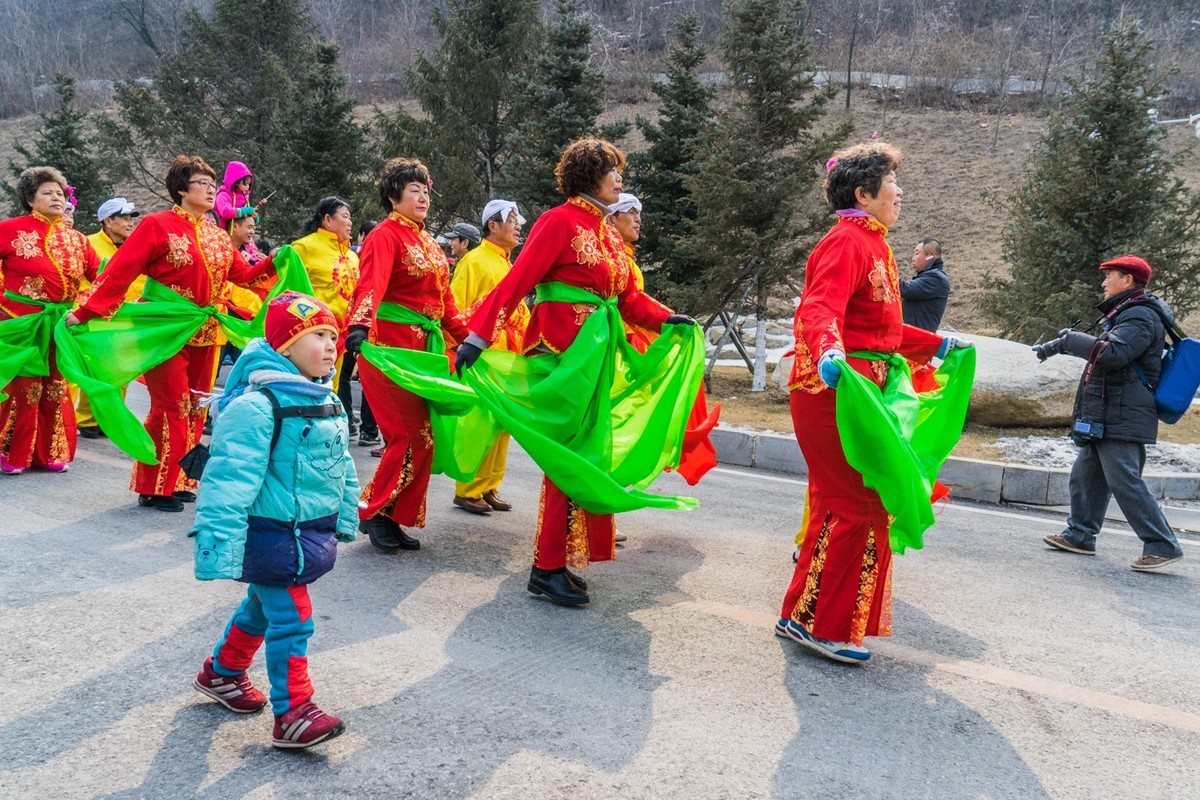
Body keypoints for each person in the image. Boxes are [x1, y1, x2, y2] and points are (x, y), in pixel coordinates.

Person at [455, 138, 694, 606]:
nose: (619, 179)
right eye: (612, 170)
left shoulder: (606, 233)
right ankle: (546, 568)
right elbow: (517, 281)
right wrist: (477, 337)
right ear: (589, 176)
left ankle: (557, 561)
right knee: (567, 461)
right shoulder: (558, 221)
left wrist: (668, 318)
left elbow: (626, 299)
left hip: (596, 359)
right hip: (560, 356)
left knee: (582, 458)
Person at [776, 142, 962, 664]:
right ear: (863, 193)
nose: (900, 191)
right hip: (832, 388)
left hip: (861, 387)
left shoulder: (874, 244)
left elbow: (877, 328)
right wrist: (830, 350)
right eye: (891, 183)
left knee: (846, 501)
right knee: (856, 503)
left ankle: (802, 614)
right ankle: (820, 624)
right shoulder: (847, 242)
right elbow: (820, 308)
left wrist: (937, 345)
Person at [190, 292, 357, 750]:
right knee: (293, 617)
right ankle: (295, 712)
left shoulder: (326, 400)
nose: (330, 346)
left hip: (306, 533)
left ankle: (222, 674)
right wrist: (217, 546)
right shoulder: (257, 407)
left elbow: (341, 466)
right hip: (269, 535)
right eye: (317, 336)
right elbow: (228, 483)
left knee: (262, 609)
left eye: (332, 336)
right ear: (284, 345)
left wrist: (346, 517)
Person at [64, 155, 276, 512]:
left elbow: (244, 275)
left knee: (194, 409)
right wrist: (86, 311)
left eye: (213, 185)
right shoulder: (156, 226)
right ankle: (154, 486)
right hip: (165, 330)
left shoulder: (216, 235)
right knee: (171, 406)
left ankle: (180, 479)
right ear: (181, 189)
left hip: (207, 332)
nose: (211, 190)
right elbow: (121, 270)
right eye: (202, 184)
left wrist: (280, 259)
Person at [343, 158, 470, 552]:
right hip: (388, 349)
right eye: (413, 190)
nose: (422, 197)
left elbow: (444, 301)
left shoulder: (430, 243)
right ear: (393, 195)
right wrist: (359, 326)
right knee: (408, 436)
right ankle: (372, 512)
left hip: (423, 353)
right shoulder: (385, 235)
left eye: (425, 191)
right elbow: (371, 283)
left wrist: (470, 339)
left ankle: (392, 515)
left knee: (422, 438)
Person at [1037, 255, 1185, 572]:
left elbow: (1114, 354)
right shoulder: (1127, 314)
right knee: (1086, 475)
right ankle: (1080, 536)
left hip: (1123, 413)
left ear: (1127, 280)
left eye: (1109, 276)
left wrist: (1070, 341)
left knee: (1124, 481)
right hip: (1107, 411)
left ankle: (1162, 544)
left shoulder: (1141, 316)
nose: (1103, 283)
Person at [0, 166, 101, 474]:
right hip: (21, 323)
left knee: (56, 388)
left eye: (60, 193)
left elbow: (103, 279)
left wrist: (85, 307)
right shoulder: (10, 228)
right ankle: (12, 453)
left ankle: (48, 453)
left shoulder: (77, 240)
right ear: (31, 198)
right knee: (23, 387)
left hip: (60, 325)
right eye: (48, 192)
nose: (57, 198)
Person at [447, 199, 530, 514]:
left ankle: (489, 485)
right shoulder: (474, 260)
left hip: (507, 356)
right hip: (483, 357)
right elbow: (456, 306)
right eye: (512, 220)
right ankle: (468, 488)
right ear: (492, 226)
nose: (518, 226)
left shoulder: (507, 262)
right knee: (479, 423)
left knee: (501, 425)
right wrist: (459, 346)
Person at [289, 197, 364, 436]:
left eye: (351, 217)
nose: (350, 222)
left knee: (330, 386)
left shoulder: (353, 256)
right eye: (344, 216)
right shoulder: (304, 247)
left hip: (343, 333)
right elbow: (289, 292)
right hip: (312, 331)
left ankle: (325, 435)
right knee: (305, 384)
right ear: (327, 219)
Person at [76, 197, 143, 439]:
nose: (129, 223)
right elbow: (82, 279)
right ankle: (87, 419)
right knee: (98, 369)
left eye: (130, 218)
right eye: (124, 218)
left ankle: (108, 418)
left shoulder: (133, 246)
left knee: (121, 371)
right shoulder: (88, 244)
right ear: (108, 221)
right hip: (96, 315)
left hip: (126, 316)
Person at [899, 238, 950, 332]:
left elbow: (904, 288)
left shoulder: (936, 278)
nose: (913, 258)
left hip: (918, 339)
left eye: (917, 253)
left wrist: (884, 272)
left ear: (930, 256)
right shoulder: (928, 276)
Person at [214, 161, 255, 231]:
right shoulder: (223, 195)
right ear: (236, 182)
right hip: (221, 231)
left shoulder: (244, 197)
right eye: (246, 182)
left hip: (237, 232)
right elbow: (225, 212)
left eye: (249, 183)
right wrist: (244, 211)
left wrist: (252, 216)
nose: (248, 186)